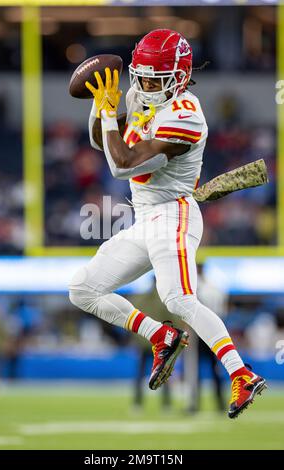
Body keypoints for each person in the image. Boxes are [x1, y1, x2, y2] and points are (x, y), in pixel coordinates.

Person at [69, 29, 266, 419]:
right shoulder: (140, 95)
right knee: (82, 289)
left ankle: (240, 373)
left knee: (178, 298)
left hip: (173, 213)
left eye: (155, 79)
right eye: (140, 77)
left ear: (179, 76)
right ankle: (160, 335)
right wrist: (99, 106)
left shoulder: (186, 116)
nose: (144, 85)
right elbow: (102, 142)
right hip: (145, 218)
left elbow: (121, 164)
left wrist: (109, 115)